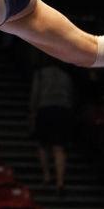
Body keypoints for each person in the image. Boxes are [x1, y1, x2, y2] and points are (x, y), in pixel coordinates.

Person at [29, 56, 75, 193]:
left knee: (43, 145)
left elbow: (35, 94)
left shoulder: (41, 74)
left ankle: (47, 176)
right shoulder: (66, 75)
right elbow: (71, 95)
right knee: (59, 147)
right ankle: (60, 181)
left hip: (45, 109)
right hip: (63, 111)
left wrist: (32, 111)